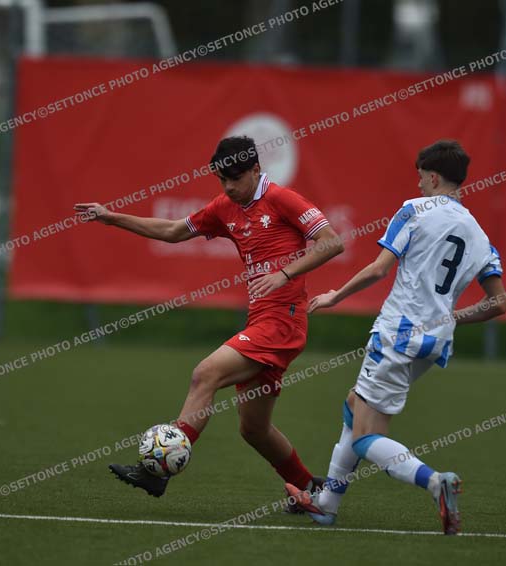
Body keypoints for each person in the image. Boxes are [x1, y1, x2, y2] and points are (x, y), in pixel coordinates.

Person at [74, 136, 344, 498]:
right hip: (261, 322)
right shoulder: (224, 207)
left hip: (282, 323)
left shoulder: (282, 199)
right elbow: (173, 231)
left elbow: (332, 241)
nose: (229, 187)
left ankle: (159, 471)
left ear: (256, 169)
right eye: (223, 180)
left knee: (206, 374)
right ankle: (311, 488)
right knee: (254, 429)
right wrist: (112, 218)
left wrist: (284, 274)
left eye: (236, 178)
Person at [286, 140, 506, 535]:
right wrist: (453, 317)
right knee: (355, 405)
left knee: (366, 436)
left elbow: (378, 269)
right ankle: (326, 505)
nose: (418, 184)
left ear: (433, 177)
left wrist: (336, 295)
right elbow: (498, 303)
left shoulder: (414, 210)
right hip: (435, 343)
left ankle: (435, 482)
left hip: (397, 335)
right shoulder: (479, 235)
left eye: (421, 177)